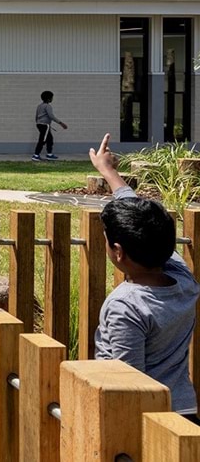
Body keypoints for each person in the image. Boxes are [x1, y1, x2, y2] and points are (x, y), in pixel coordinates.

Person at [90, 133, 199, 416]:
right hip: (183, 408)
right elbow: (144, 221)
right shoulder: (182, 277)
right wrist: (109, 172)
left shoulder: (126, 306)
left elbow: (131, 383)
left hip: (146, 422)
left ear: (118, 251)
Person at [32, 90, 68, 161]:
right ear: (49, 99)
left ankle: (49, 155)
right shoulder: (48, 106)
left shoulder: (39, 106)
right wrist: (61, 123)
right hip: (45, 125)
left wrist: (38, 123)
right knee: (42, 140)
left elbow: (36, 116)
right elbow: (51, 116)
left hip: (40, 124)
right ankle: (36, 155)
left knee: (49, 139)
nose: (52, 99)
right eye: (52, 98)